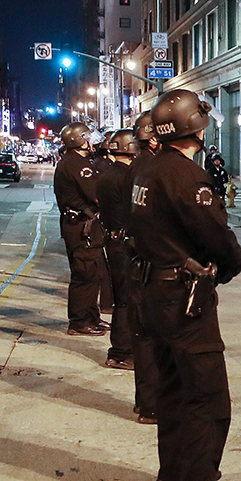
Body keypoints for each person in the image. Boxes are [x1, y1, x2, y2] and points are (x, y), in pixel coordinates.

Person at [132, 89, 241, 481]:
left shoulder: (147, 171)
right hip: (183, 298)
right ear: (194, 128)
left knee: (173, 388)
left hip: (152, 291)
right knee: (207, 397)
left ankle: (173, 471)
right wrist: (230, 266)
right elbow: (218, 238)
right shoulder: (187, 177)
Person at [126, 109, 164, 420]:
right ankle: (152, 405)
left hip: (135, 257)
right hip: (152, 262)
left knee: (143, 339)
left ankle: (145, 400)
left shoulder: (136, 167)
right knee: (154, 340)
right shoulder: (154, 169)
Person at [54, 122, 107, 337]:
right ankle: (80, 321)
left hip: (77, 225)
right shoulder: (77, 164)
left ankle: (90, 317)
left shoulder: (74, 161)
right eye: (87, 137)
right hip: (80, 227)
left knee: (90, 273)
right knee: (85, 274)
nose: (91, 141)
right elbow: (97, 193)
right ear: (78, 140)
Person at [97, 129, 139, 373]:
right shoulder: (125, 177)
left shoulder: (107, 173)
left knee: (121, 296)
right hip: (124, 241)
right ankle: (122, 352)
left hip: (112, 238)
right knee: (126, 299)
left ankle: (121, 350)